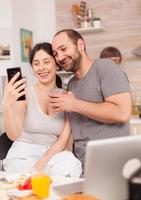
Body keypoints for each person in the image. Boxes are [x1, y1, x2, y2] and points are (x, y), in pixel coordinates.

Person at [50, 29, 132, 172]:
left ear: (80, 44)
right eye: (55, 53)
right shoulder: (71, 84)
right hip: (82, 168)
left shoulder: (106, 68)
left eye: (63, 49)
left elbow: (122, 113)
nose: (60, 57)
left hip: (112, 166)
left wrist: (75, 104)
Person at [2, 42, 82, 177]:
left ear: (56, 64)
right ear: (32, 68)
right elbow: (13, 135)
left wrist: (40, 164)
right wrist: (6, 106)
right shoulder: (25, 94)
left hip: (51, 156)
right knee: (40, 178)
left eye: (46, 62)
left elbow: (63, 140)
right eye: (36, 63)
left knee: (70, 162)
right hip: (22, 156)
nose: (41, 68)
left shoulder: (66, 97)